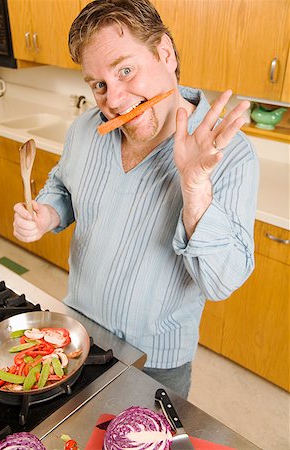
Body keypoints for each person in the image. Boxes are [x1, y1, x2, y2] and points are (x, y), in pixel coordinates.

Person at [13, 0, 259, 399]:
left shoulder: (229, 154)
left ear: (165, 53)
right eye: (98, 84)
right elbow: (64, 185)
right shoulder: (86, 128)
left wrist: (194, 189)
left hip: (156, 362)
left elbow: (221, 282)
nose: (113, 98)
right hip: (77, 339)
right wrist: (46, 212)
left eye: (125, 70)